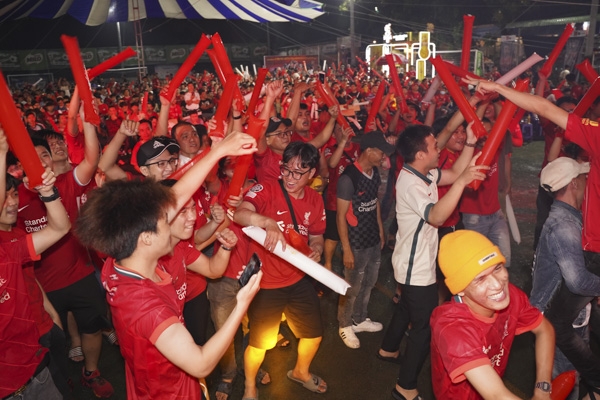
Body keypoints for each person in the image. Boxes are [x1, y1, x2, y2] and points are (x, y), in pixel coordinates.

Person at [75, 131, 260, 399]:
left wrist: (217, 152)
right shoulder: (145, 307)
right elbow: (201, 363)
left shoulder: (122, 260)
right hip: (168, 391)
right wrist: (242, 303)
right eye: (165, 219)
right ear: (147, 238)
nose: (175, 218)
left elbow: (176, 196)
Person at [378, 123, 487, 400]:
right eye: (434, 145)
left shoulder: (422, 173)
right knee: (423, 328)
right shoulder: (411, 183)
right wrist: (462, 182)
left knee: (406, 307)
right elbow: (437, 217)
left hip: (410, 262)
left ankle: (388, 347)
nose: (440, 147)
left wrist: (471, 145)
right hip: (416, 267)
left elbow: (453, 173)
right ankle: (405, 387)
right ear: (420, 154)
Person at [233, 141, 328, 399]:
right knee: (259, 343)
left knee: (314, 335)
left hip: (299, 279)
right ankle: (249, 387)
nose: (290, 177)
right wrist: (266, 221)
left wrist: (317, 249)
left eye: (299, 172)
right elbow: (240, 214)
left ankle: (301, 372)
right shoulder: (266, 188)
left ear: (312, 175)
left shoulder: (315, 199)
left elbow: (317, 234)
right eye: (287, 169)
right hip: (266, 283)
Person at [431, 230, 555, 399]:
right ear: (459, 289)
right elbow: (497, 395)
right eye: (480, 279)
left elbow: (544, 329)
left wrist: (542, 388)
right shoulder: (451, 326)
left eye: (497, 268)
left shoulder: (512, 296)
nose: (498, 285)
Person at [0, 126, 71, 400]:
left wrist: (48, 192)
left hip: (36, 372)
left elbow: (60, 228)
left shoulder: (10, 247)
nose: (10, 203)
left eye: (13, 195)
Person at [531, 157, 600, 399]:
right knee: (566, 379)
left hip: (568, 315)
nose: (587, 180)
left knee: (571, 377)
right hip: (558, 320)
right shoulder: (564, 226)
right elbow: (578, 281)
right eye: (583, 176)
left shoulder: (567, 217)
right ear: (573, 183)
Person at [336, 131, 394, 349]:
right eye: (380, 152)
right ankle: (344, 325)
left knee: (369, 282)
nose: (383, 157)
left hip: (371, 238)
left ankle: (359, 319)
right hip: (355, 241)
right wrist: (347, 249)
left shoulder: (374, 173)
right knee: (351, 287)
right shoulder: (348, 178)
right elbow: (341, 216)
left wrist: (380, 229)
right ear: (368, 151)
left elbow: (374, 202)